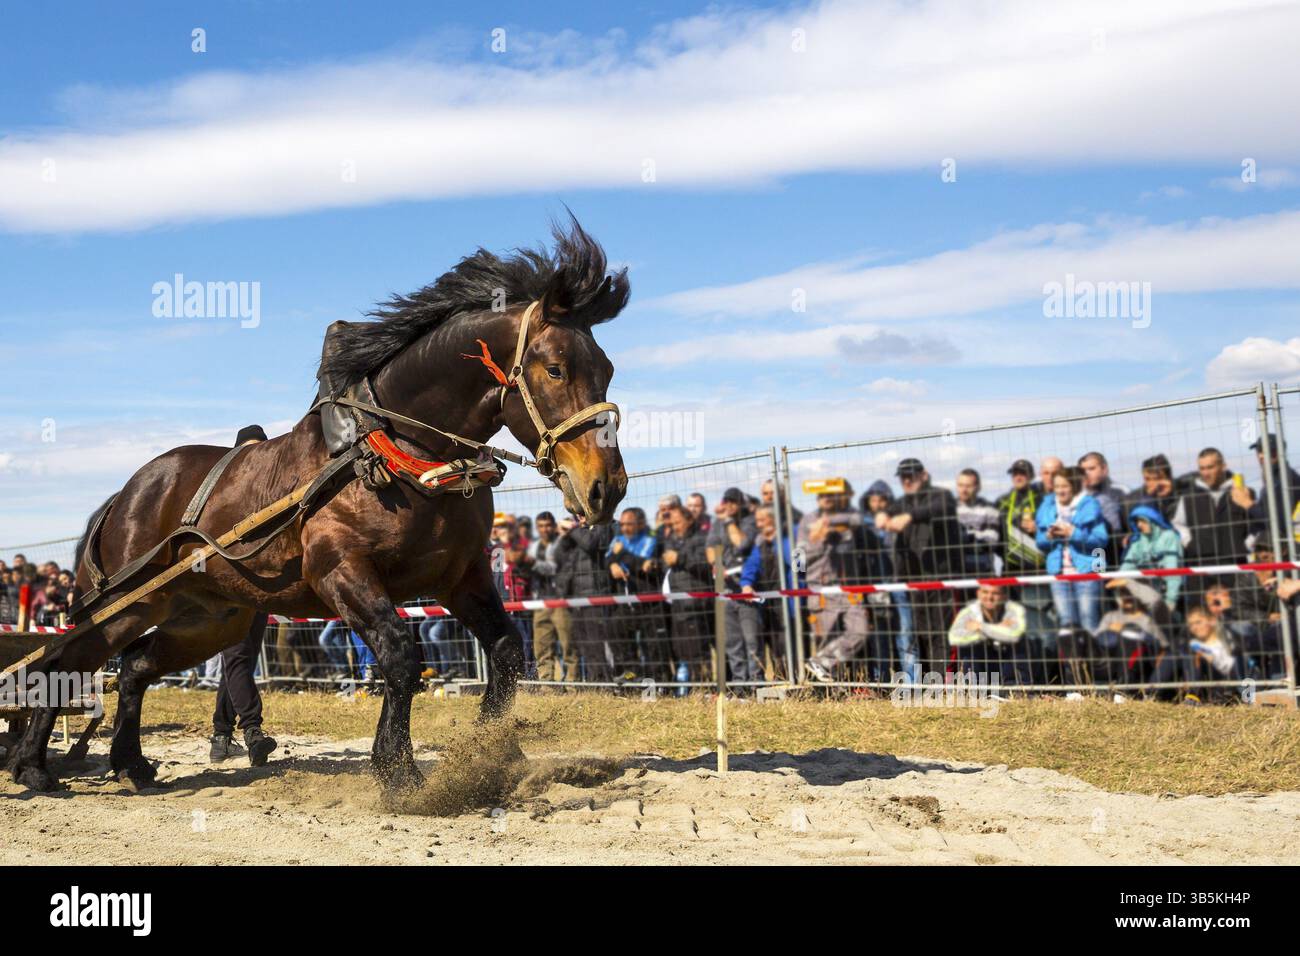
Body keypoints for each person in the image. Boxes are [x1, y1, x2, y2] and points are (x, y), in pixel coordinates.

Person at [210, 424, 278, 766]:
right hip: (231, 587)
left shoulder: (270, 493)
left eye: (259, 449)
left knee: (242, 662)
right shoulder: (225, 493)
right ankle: (252, 731)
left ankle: (221, 736)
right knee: (236, 658)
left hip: (259, 588)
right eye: (247, 450)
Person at [880, 459, 962, 675]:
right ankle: (928, 684)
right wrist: (882, 515)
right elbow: (886, 510)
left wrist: (909, 517)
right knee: (921, 633)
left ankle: (944, 684)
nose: (907, 480)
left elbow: (938, 508)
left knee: (941, 634)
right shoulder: (902, 503)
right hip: (913, 581)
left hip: (940, 579)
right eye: (903, 476)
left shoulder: (941, 496)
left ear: (923, 475)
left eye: (912, 475)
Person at [1036, 465, 1110, 684]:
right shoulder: (1048, 507)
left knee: (1089, 624)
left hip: (1087, 573)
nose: (1059, 490)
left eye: (1064, 486)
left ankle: (1098, 680)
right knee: (1067, 627)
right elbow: (1040, 542)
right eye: (1056, 486)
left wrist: (1074, 533)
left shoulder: (1089, 506)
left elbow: (1100, 541)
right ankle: (1075, 682)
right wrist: (1050, 536)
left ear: (1074, 486)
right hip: (1059, 574)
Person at [801, 480, 877, 682]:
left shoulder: (850, 516)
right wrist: (816, 541)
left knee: (860, 632)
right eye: (822, 495)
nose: (826, 499)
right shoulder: (807, 521)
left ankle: (824, 662)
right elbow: (796, 563)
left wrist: (835, 524)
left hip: (850, 589)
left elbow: (860, 521)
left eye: (830, 494)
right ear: (817, 498)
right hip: (821, 592)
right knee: (827, 640)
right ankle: (832, 692)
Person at [707, 487, 762, 686]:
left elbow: (742, 544)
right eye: (726, 501)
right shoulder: (716, 523)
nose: (728, 505)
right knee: (733, 642)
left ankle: (757, 682)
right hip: (725, 590)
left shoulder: (749, 521)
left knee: (751, 641)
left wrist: (729, 521)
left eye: (733, 502)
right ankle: (740, 684)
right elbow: (710, 548)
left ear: (740, 504)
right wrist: (716, 563)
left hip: (745, 588)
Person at [607, 507, 668, 681]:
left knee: (654, 647)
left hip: (650, 601)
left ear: (640, 524)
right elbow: (608, 558)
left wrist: (621, 554)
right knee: (614, 628)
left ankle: (660, 685)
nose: (624, 528)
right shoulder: (619, 539)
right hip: (629, 602)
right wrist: (612, 565)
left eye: (629, 524)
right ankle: (632, 676)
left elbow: (641, 564)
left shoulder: (651, 539)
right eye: (622, 524)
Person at [660, 504, 714, 688]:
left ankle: (704, 686)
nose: (675, 526)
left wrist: (680, 559)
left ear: (689, 520)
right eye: (672, 523)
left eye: (678, 522)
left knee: (698, 648)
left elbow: (706, 565)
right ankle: (691, 686)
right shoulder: (672, 540)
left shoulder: (702, 538)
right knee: (682, 648)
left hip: (697, 603)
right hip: (678, 603)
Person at [528, 512, 577, 683]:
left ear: (554, 525)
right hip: (540, 601)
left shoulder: (562, 544)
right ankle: (546, 684)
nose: (545, 529)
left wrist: (531, 563)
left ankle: (572, 684)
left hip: (561, 600)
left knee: (568, 645)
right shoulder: (533, 546)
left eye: (548, 525)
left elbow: (556, 568)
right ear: (537, 528)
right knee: (542, 647)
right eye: (541, 526)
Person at [947, 584, 1026, 685]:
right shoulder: (968, 611)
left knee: (1019, 644)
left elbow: (1015, 635)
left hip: (1006, 663)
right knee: (970, 647)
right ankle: (976, 690)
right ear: (978, 594)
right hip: (982, 662)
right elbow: (953, 637)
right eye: (985, 592)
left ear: (1004, 596)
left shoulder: (1015, 609)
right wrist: (997, 631)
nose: (989, 597)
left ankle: (1014, 690)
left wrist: (981, 627)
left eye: (995, 593)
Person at [955, 469, 999, 575]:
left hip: (983, 570)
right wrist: (977, 535)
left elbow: (991, 540)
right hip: (956, 572)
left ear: (978, 487)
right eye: (960, 485)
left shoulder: (989, 508)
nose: (963, 490)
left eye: (968, 486)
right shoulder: (949, 508)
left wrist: (966, 536)